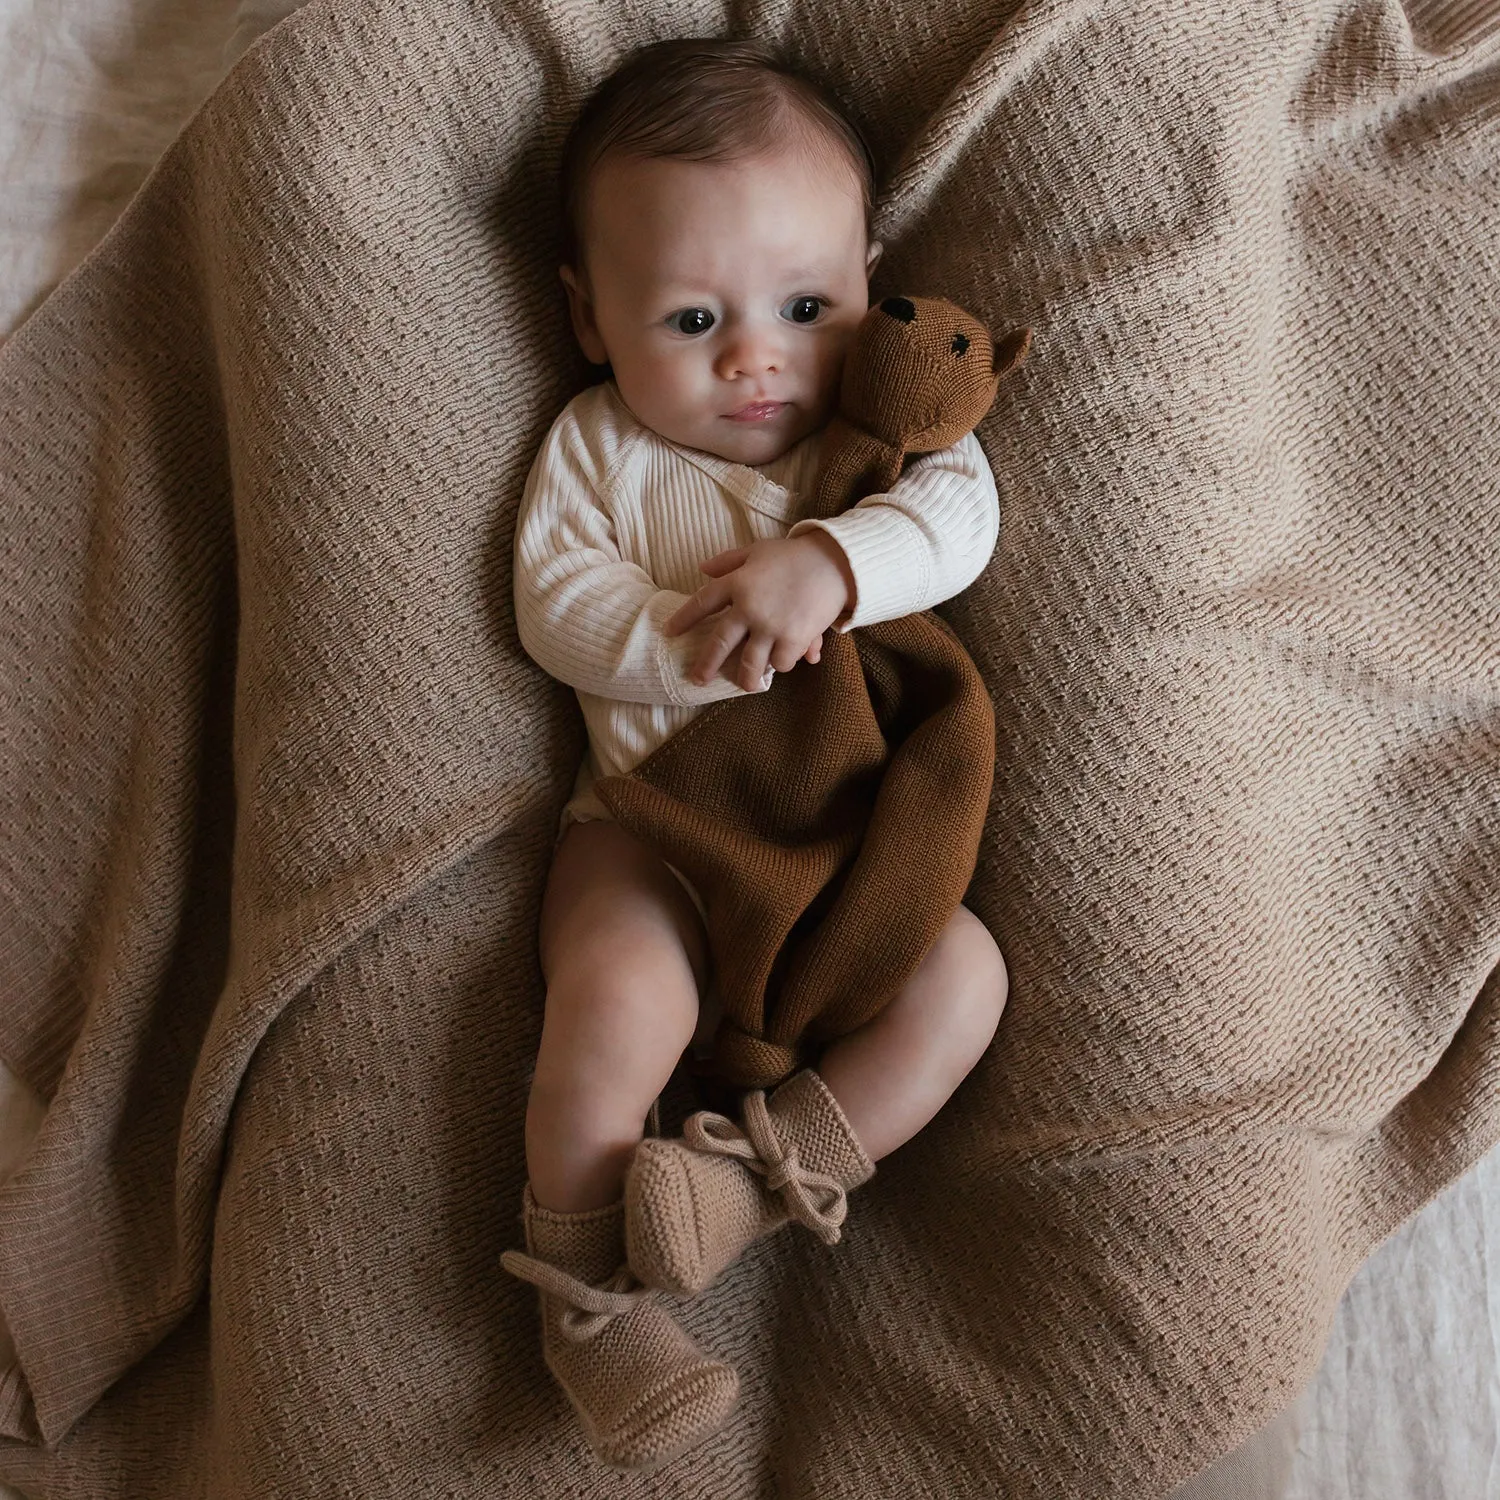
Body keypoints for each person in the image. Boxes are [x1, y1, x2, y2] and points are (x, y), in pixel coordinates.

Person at [500, 35, 1010, 1473]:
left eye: (804, 303)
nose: (754, 357)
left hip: (852, 857)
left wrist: (834, 569)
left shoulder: (879, 436)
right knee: (606, 1011)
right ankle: (591, 1312)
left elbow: (959, 519)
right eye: (687, 319)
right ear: (590, 318)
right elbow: (554, 604)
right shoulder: (599, 448)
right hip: (653, 834)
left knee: (967, 980)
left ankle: (758, 1179)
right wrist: (688, 637)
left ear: (867, 278)